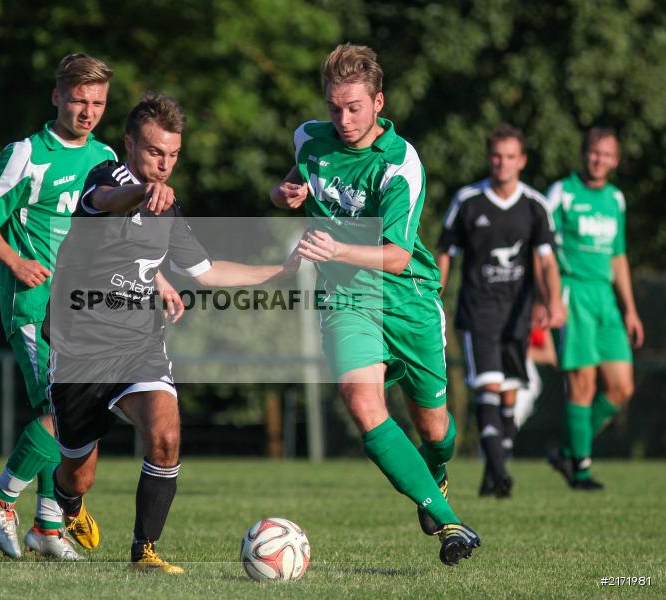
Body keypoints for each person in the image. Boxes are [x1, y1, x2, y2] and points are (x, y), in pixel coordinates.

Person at [44, 92, 300, 573]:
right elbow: (107, 202)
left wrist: (280, 271)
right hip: (79, 348)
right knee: (79, 475)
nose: (164, 165)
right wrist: (141, 192)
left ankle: (144, 551)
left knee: (165, 434)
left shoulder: (170, 208)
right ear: (130, 145)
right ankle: (66, 503)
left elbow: (206, 272)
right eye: (154, 153)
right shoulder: (106, 179)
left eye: (173, 155)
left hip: (138, 344)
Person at [0, 53, 180, 560]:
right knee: (57, 414)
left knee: (74, 420)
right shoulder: (26, 154)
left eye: (98, 102)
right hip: (36, 306)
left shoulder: (105, 159)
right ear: (57, 96)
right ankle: (0, 494)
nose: (88, 111)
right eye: (79, 100)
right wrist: (16, 261)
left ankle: (47, 526)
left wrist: (162, 279)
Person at [269, 43, 480, 565]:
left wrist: (337, 247)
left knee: (434, 426)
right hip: (346, 298)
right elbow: (293, 185)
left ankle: (436, 474)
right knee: (361, 401)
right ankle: (450, 523)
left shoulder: (399, 164)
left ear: (378, 102)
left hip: (406, 297)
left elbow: (398, 254)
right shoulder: (308, 139)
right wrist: (285, 194)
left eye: (354, 108)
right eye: (334, 107)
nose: (342, 119)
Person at [436, 124, 565, 497]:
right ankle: (499, 472)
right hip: (479, 311)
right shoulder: (468, 200)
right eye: (496, 156)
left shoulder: (535, 206)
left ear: (521, 160)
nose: (502, 163)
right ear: (488, 157)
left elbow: (546, 262)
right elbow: (446, 251)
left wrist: (551, 301)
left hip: (518, 314)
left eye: (510, 157)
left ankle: (493, 474)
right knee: (488, 386)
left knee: (509, 394)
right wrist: (435, 293)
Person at [546, 127, 644, 490]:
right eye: (594, 152)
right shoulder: (563, 192)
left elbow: (618, 257)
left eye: (607, 154)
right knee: (582, 384)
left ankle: (566, 448)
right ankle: (581, 470)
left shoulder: (616, 199)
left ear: (616, 160)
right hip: (573, 293)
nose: (599, 159)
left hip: (606, 299)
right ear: (583, 153)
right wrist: (550, 297)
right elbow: (542, 247)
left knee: (621, 388)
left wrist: (630, 309)